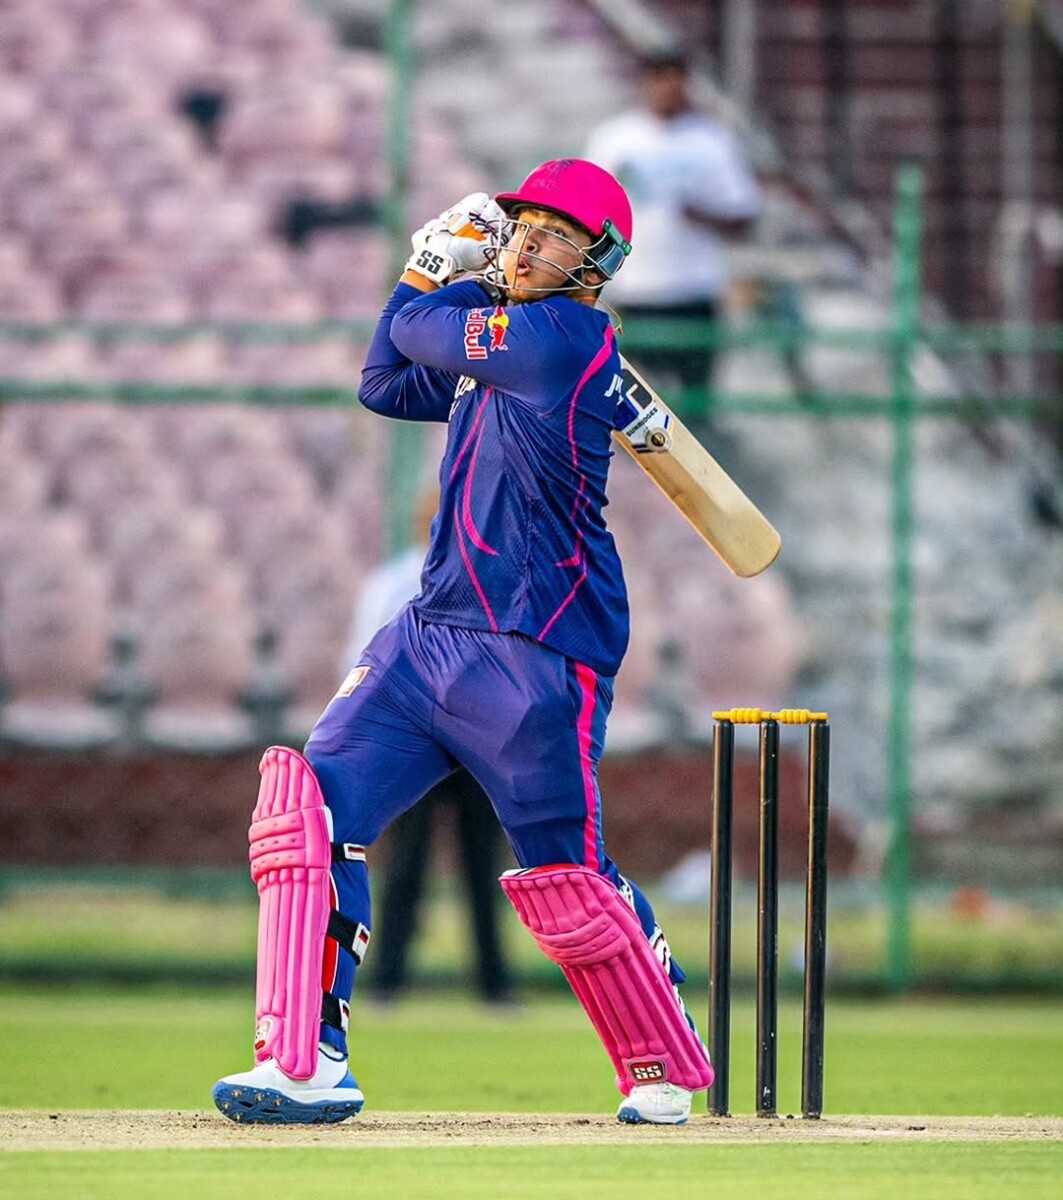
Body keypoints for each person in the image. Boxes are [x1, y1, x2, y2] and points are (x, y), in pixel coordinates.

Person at [212, 158, 714, 1128]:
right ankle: (304, 1061)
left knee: (565, 878)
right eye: (520, 225)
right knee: (306, 816)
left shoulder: (563, 340)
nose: (528, 241)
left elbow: (418, 330)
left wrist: (432, 272)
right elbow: (384, 382)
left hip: (533, 646)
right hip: (426, 635)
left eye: (554, 234)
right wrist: (426, 278)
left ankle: (655, 1054)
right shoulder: (499, 355)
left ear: (596, 263)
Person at [339, 490, 514, 1007]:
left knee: (475, 862)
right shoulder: (399, 582)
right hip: (427, 735)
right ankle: (396, 979)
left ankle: (488, 982)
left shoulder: (479, 582)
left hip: (459, 737)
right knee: (416, 863)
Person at [584, 51, 761, 412]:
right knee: (627, 408)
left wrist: (703, 216)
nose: (667, 90)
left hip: (693, 291)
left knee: (694, 410)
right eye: (659, 80)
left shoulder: (710, 141)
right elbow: (588, 211)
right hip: (631, 293)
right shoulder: (614, 139)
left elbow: (745, 216)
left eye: (675, 81)